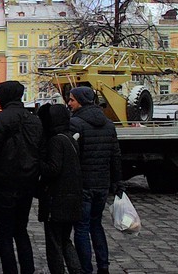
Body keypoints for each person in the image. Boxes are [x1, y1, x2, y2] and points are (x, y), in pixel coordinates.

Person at [0, 81, 43, 274]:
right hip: (27, 181)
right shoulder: (34, 119)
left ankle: (10, 270)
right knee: (21, 229)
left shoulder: (0, 119)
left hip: (4, 183)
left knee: (5, 233)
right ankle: (28, 269)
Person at [67, 86, 121, 274]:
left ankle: (86, 268)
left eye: (72, 100)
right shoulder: (108, 124)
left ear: (80, 101)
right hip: (102, 185)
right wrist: (117, 182)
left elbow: (73, 158)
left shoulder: (75, 123)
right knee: (96, 224)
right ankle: (103, 266)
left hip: (84, 186)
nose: (69, 103)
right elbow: (115, 156)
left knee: (81, 228)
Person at [38, 104, 83, 274]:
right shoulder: (69, 137)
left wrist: (39, 162)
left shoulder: (56, 140)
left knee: (54, 243)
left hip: (57, 200)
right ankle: (76, 270)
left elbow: (53, 169)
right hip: (72, 198)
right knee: (65, 240)